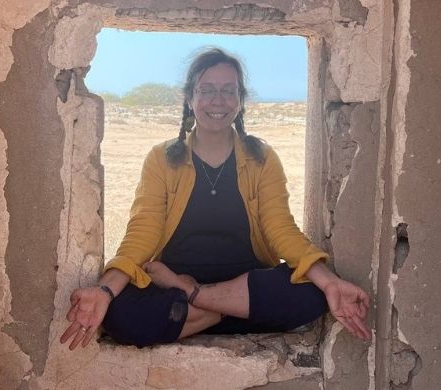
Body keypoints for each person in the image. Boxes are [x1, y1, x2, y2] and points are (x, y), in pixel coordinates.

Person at [60, 47, 370, 349]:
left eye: (228, 90)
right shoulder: (162, 159)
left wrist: (329, 282)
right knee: (118, 314)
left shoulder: (262, 158)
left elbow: (281, 229)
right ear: (190, 98)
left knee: (313, 293)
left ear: (239, 100)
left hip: (238, 282)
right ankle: (234, 312)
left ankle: (193, 304)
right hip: (220, 291)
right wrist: (105, 290)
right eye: (206, 90)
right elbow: (142, 232)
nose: (217, 100)